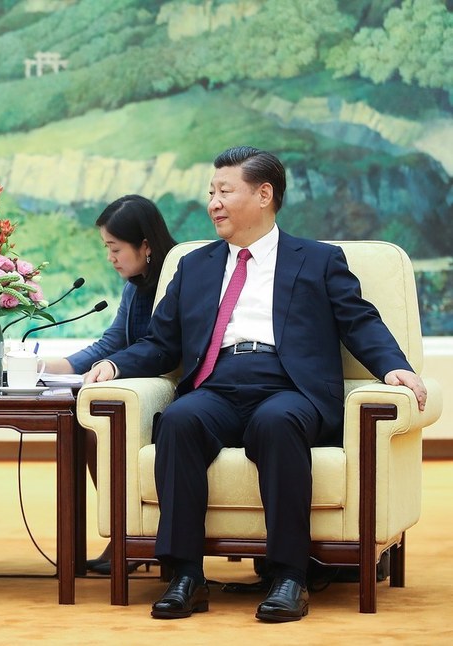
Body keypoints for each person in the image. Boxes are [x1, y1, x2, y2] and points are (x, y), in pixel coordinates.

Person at [85, 146, 427, 623]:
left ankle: (289, 577)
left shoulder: (318, 260)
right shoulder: (195, 266)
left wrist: (394, 366)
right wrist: (116, 366)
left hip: (289, 387)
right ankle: (185, 576)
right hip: (217, 385)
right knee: (180, 420)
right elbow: (162, 344)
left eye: (225, 191)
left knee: (277, 422)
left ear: (264, 194)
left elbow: (360, 322)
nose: (213, 203)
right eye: (211, 192)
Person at [42, 195, 176, 576]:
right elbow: (112, 342)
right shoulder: (134, 284)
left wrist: (112, 367)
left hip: (172, 393)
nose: (110, 257)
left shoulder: (176, 280)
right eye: (107, 248)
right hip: (134, 393)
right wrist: (51, 366)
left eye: (115, 248)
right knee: (86, 428)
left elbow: (163, 349)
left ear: (146, 245)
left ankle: (133, 535)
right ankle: (125, 531)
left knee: (99, 426)